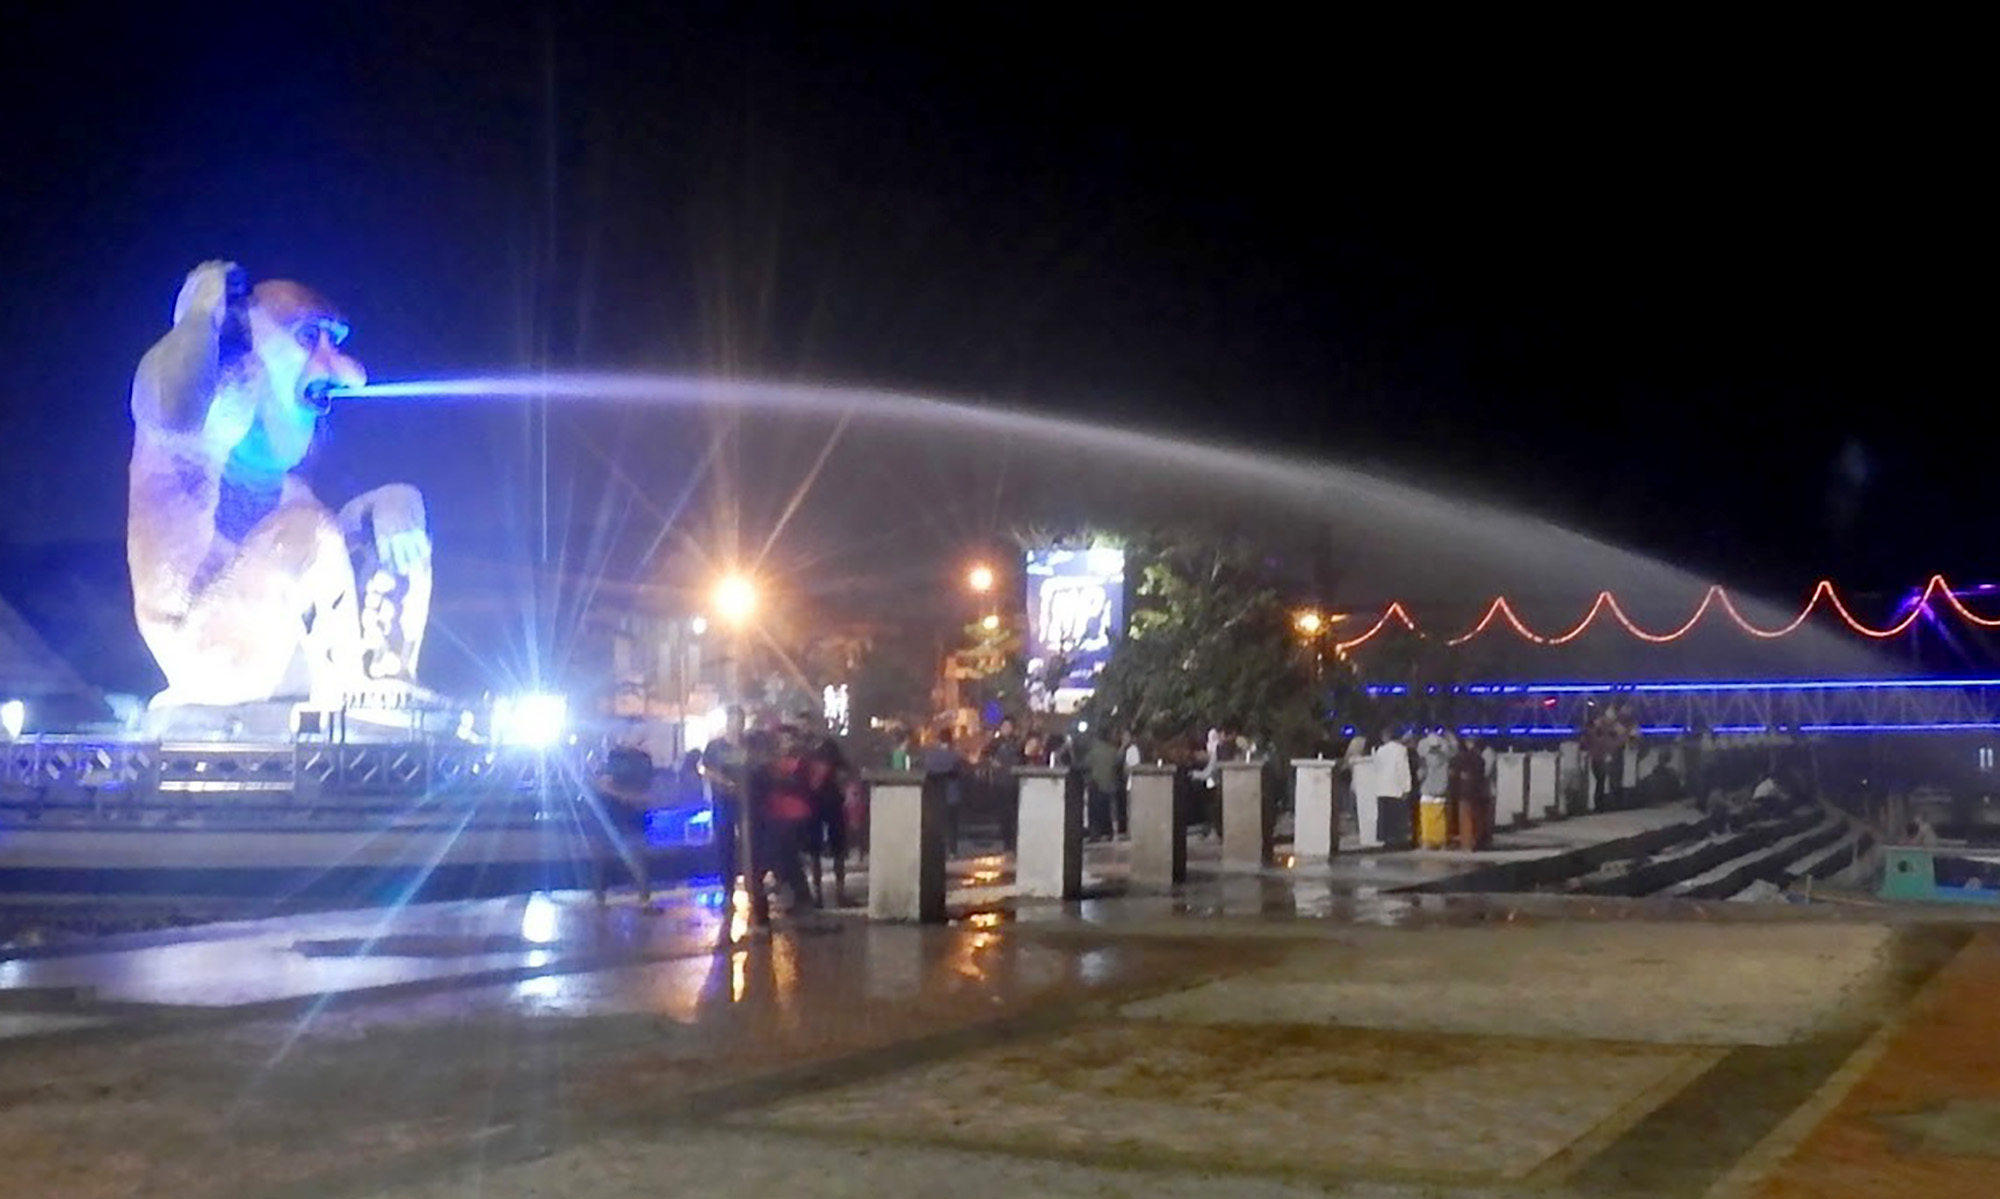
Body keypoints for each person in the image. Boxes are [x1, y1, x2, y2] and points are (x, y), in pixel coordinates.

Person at [126, 261, 433, 713]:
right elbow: (175, 404)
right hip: (205, 648)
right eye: (308, 337)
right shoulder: (195, 425)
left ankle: (383, 678)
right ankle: (347, 685)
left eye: (333, 343)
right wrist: (202, 307)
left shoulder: (284, 477)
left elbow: (326, 546)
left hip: (276, 648)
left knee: (395, 512)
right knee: (307, 529)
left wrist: (389, 506)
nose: (343, 370)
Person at [796, 718, 853, 907]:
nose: (806, 728)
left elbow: (845, 768)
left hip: (831, 800)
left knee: (838, 847)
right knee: (814, 850)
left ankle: (839, 893)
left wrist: (841, 783)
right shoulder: (801, 748)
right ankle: (817, 894)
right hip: (812, 803)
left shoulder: (828, 746)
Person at [921, 726, 967, 857]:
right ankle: (952, 851)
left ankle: (936, 850)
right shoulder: (955, 757)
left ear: (938, 740)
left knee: (936, 825)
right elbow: (962, 772)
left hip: (935, 796)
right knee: (952, 825)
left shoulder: (930, 756)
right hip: (952, 795)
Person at [1370, 729, 1415, 851]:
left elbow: (1376, 768)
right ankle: (1397, 841)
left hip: (1382, 788)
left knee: (1385, 818)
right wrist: (1406, 787)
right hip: (1395, 788)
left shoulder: (1380, 750)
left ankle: (1386, 841)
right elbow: (1403, 769)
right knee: (1396, 817)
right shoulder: (1400, 750)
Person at [1447, 736, 1494, 851]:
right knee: (1476, 819)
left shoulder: (1459, 759)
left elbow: (1454, 775)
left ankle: (1466, 843)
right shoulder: (1480, 759)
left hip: (1463, 792)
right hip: (1477, 792)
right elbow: (1483, 775)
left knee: (1465, 819)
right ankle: (1475, 842)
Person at [1415, 727, 1453, 850]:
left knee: (1426, 817)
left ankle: (1428, 841)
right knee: (1441, 817)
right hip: (1442, 787)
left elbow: (1421, 774)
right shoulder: (1445, 753)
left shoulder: (1424, 758)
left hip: (1427, 788)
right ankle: (1441, 841)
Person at [1085, 730, 1122, 841]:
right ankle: (1108, 832)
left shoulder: (1093, 750)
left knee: (1094, 812)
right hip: (1108, 785)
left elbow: (1086, 764)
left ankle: (1095, 834)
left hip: (1095, 785)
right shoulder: (1113, 751)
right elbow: (1118, 763)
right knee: (1106, 811)